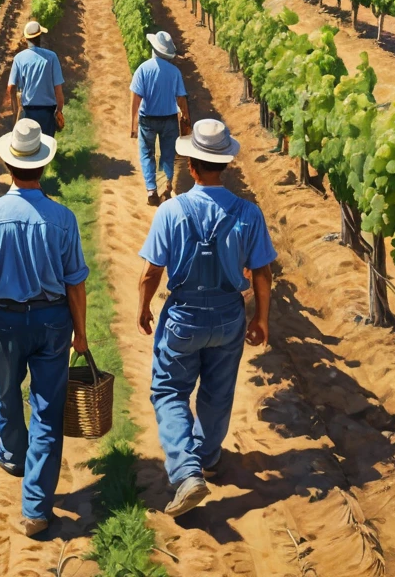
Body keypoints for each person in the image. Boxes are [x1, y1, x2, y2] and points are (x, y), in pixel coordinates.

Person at [137, 118, 276, 517]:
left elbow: (151, 272)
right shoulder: (249, 214)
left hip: (183, 315)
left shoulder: (172, 210)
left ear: (192, 166)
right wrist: (260, 318)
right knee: (217, 392)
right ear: (225, 165)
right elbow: (263, 274)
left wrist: (143, 306)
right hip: (230, 314)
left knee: (168, 391)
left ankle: (185, 471)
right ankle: (209, 457)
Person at [0, 118, 89, 537]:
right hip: (54, 321)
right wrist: (81, 331)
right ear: (43, 166)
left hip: (6, 321)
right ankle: (36, 507)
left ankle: (14, 454)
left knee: (6, 391)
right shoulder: (63, 218)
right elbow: (76, 282)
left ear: (8, 164)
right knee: (48, 411)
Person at [130, 31, 191, 206]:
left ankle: (151, 190)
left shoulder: (143, 69)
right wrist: (186, 118)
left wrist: (133, 124)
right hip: (169, 119)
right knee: (167, 155)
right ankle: (167, 187)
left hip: (147, 120)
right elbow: (181, 98)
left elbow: (135, 98)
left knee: (147, 154)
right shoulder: (175, 72)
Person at [9, 20, 64, 138]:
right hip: (48, 114)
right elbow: (58, 90)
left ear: (26, 39)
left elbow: (11, 88)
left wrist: (15, 110)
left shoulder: (19, 58)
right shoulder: (52, 57)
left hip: (28, 112)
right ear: (40, 37)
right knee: (47, 147)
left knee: (30, 147)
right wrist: (59, 111)